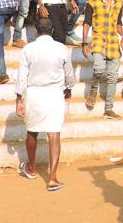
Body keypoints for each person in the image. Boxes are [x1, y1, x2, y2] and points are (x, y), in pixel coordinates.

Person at [15, 17, 74, 192]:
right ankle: (52, 178)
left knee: (32, 131)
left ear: (36, 30)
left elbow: (22, 76)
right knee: (54, 134)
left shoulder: (29, 49)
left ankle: (32, 168)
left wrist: (18, 99)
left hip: (34, 93)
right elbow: (69, 74)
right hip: (54, 93)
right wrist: (69, 89)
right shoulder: (61, 48)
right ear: (52, 30)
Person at [82, 0, 123, 119]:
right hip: (98, 42)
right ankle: (93, 89)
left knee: (113, 77)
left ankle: (109, 109)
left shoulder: (119, 3)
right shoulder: (93, 2)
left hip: (113, 44)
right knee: (99, 69)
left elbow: (118, 24)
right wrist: (84, 43)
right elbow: (86, 23)